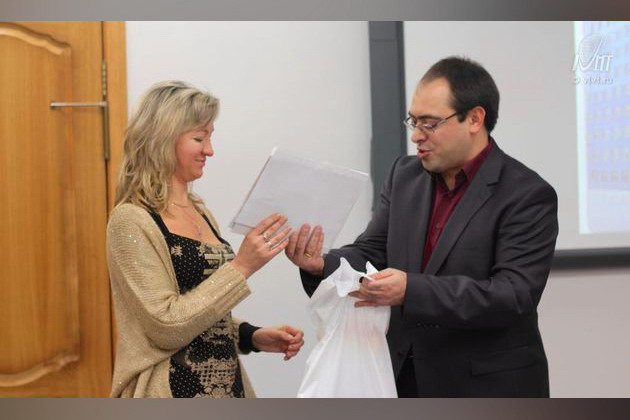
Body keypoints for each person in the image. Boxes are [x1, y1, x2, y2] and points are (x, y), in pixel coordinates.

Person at [286, 57, 558, 397]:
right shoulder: (405, 176)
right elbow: (372, 251)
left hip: (486, 386)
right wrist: (322, 265)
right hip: (405, 379)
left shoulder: (526, 193)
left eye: (429, 124)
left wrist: (411, 290)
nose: (416, 136)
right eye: (413, 122)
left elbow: (513, 295)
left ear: (475, 119)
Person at [107, 81, 304, 398]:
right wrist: (242, 266)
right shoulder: (131, 220)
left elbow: (198, 308)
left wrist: (249, 336)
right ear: (162, 139)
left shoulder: (200, 211)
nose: (209, 150)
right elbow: (166, 326)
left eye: (210, 137)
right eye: (199, 138)